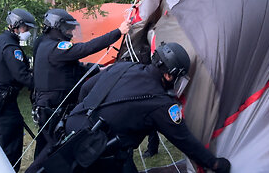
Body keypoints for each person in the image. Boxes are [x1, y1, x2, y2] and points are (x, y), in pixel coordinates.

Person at [27, 42, 231, 173]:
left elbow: (87, 87)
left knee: (43, 167)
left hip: (73, 130)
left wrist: (84, 115)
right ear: (169, 75)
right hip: (98, 153)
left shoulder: (124, 67)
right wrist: (213, 164)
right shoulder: (160, 103)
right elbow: (184, 140)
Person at [32, 8, 130, 157]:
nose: (70, 33)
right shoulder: (55, 47)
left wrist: (101, 69)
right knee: (52, 150)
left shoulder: (45, 45)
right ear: (57, 27)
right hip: (54, 107)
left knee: (48, 147)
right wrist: (118, 32)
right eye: (67, 29)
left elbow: (77, 67)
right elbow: (86, 48)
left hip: (52, 105)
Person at [0, 8, 36, 172]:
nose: (29, 33)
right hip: (1, 105)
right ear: (16, 26)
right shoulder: (11, 48)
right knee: (11, 148)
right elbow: (23, 77)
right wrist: (43, 82)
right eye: (27, 28)